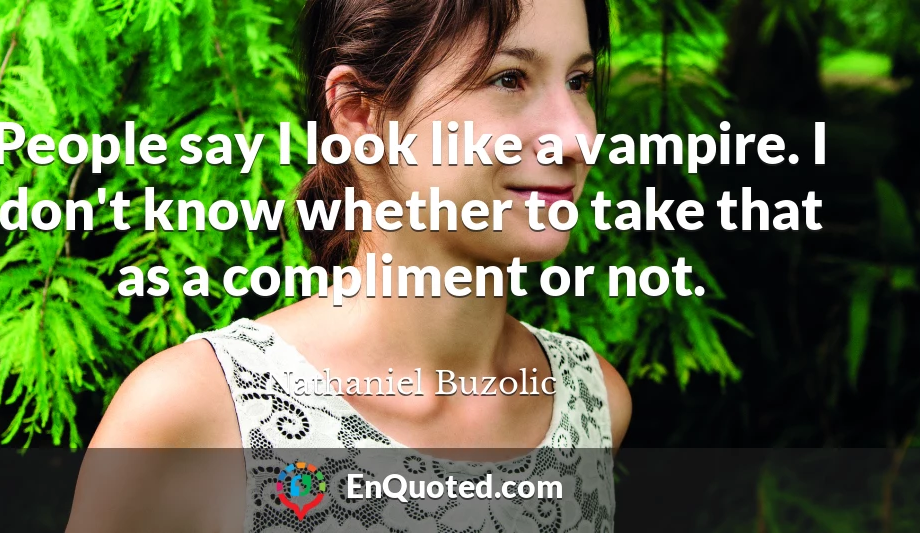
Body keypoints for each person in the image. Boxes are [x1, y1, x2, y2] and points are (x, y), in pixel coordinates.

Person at [67, 0, 631, 531]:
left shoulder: (592, 405)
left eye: (578, 81)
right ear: (359, 111)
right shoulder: (198, 415)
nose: (577, 137)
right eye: (508, 79)